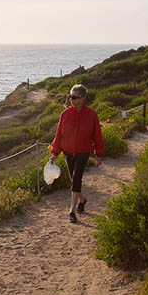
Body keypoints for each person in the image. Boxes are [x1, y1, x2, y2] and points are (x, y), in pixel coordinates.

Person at [50, 84, 105, 223]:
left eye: (74, 97)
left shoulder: (92, 115)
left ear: (82, 98)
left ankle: (72, 211)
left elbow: (97, 136)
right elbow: (59, 135)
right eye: (70, 96)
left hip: (83, 152)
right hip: (68, 152)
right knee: (73, 181)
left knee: (76, 179)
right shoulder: (65, 114)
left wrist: (98, 154)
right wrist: (55, 152)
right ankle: (82, 200)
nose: (71, 99)